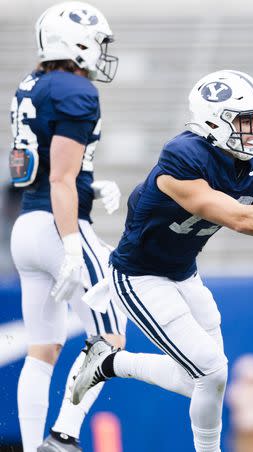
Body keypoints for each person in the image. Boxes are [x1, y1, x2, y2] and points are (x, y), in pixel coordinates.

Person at [68, 69, 253, 452]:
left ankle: (108, 363)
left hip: (184, 273)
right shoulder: (183, 159)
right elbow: (239, 218)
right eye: (243, 120)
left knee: (207, 379)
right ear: (211, 121)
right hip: (139, 276)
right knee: (211, 370)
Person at [8, 2, 126, 450]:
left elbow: (44, 168)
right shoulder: (76, 91)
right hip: (60, 228)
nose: (101, 51)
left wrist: (89, 187)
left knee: (42, 350)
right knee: (109, 336)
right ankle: (63, 436)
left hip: (28, 228)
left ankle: (33, 443)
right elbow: (59, 177)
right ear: (74, 43)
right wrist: (74, 243)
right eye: (97, 41)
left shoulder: (31, 84)